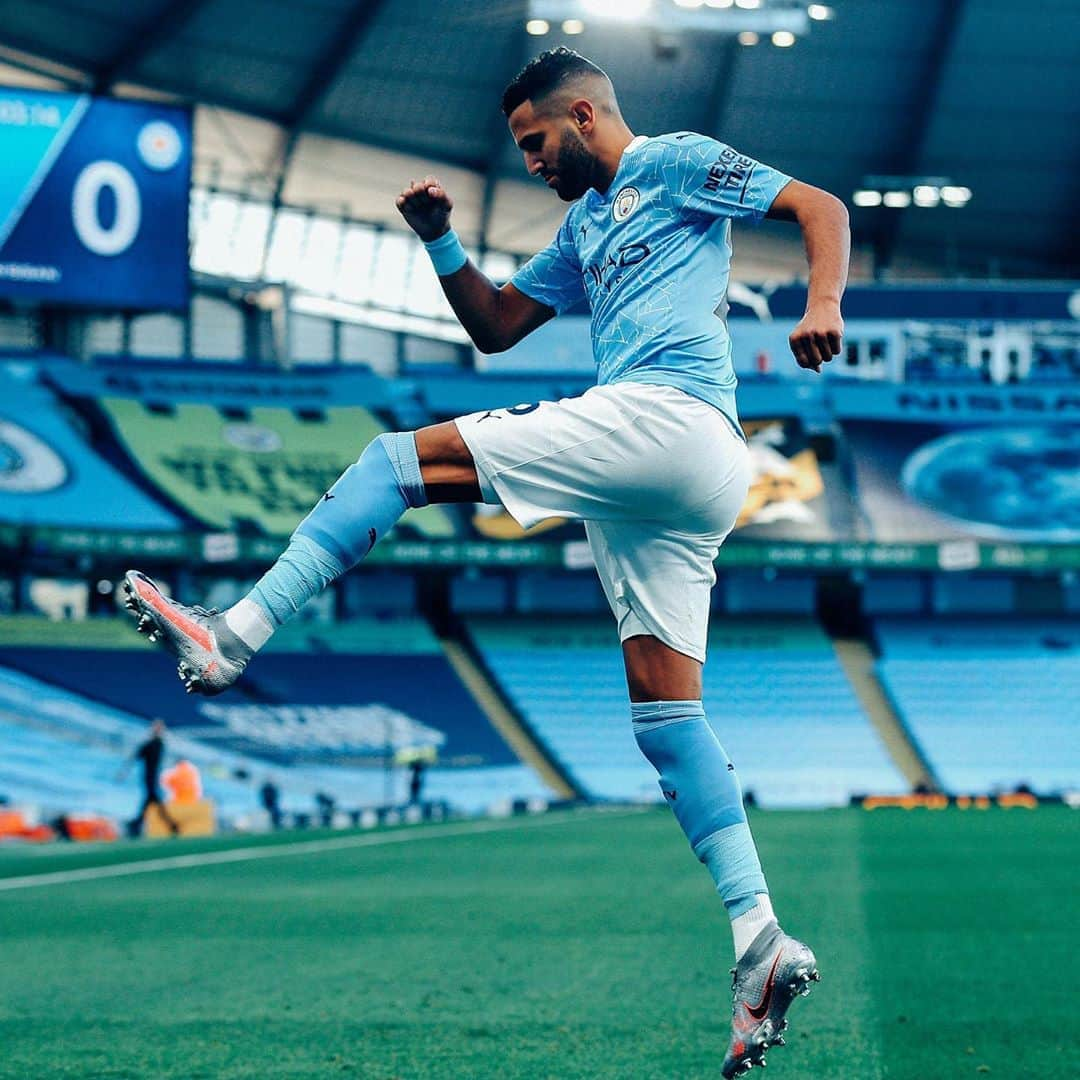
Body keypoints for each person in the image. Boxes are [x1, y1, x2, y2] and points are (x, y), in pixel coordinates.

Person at [121, 48, 847, 1076]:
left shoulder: (677, 163)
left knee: (390, 461)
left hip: (669, 419)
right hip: (680, 473)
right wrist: (441, 242)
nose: (532, 162)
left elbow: (819, 206)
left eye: (536, 141)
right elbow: (498, 327)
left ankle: (233, 634)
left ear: (585, 115)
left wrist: (822, 306)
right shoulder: (585, 226)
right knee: (666, 718)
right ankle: (761, 941)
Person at [121, 718, 180, 837]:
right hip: (150, 778)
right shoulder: (154, 744)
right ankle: (171, 826)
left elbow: (137, 755)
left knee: (150, 802)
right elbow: (136, 756)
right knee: (154, 802)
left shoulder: (156, 744)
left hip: (152, 778)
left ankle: (136, 825)